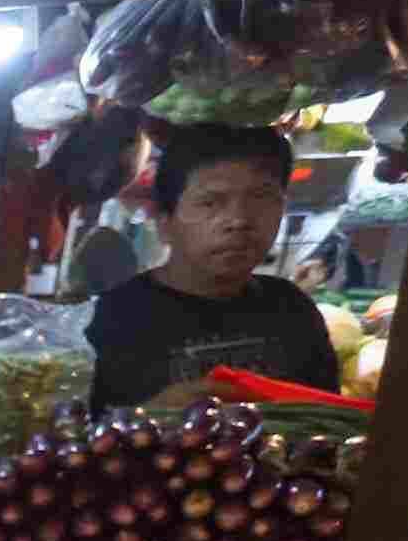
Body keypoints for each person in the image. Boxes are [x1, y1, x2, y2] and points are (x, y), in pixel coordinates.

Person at [87, 124, 340, 409]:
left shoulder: (293, 309)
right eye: (211, 203)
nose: (239, 220)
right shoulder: (112, 320)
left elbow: (330, 418)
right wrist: (150, 418)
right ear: (164, 221)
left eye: (261, 198)